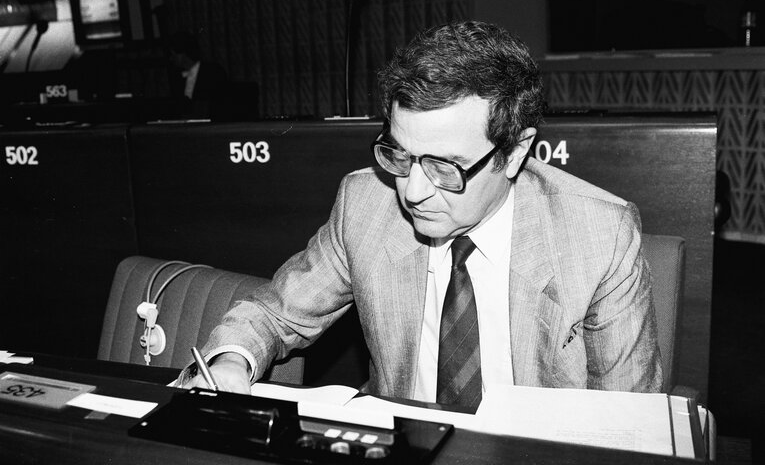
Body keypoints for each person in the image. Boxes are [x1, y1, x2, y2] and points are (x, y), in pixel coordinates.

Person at [181, 21, 662, 408]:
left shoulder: (600, 235)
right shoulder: (366, 204)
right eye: (401, 155)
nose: (412, 192)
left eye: (444, 167)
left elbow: (628, 420)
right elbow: (274, 311)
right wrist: (229, 363)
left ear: (514, 154)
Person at [167, 31, 229, 119]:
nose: (171, 59)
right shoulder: (177, 77)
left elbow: (218, 103)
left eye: (173, 54)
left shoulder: (213, 72)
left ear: (183, 54)